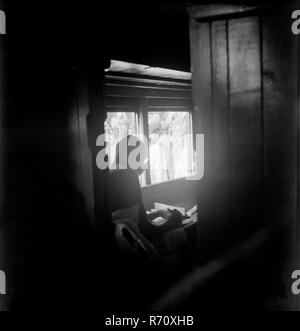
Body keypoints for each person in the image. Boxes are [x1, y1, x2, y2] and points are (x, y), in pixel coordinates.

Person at [110, 135, 182, 241]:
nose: (145, 167)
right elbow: (140, 231)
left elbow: (134, 219)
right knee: (186, 223)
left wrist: (158, 213)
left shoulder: (111, 173)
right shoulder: (127, 178)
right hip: (139, 241)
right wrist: (173, 220)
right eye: (143, 160)